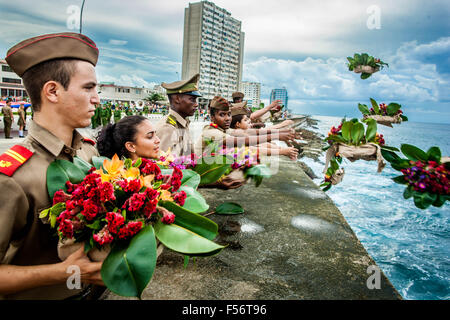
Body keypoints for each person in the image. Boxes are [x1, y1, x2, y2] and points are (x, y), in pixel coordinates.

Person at [0, 32, 104, 300]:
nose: (97, 99)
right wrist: (64, 273)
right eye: (88, 88)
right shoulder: (12, 176)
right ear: (53, 91)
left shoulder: (89, 150)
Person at [230, 103, 298, 160]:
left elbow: (262, 136)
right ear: (238, 124)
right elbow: (253, 149)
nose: (249, 121)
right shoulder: (235, 133)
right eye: (246, 120)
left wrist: (282, 149)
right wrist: (282, 151)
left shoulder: (241, 131)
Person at [155, 73, 201, 157]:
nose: (196, 104)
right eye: (192, 99)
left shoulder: (182, 123)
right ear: (177, 99)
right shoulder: (168, 128)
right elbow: (163, 166)